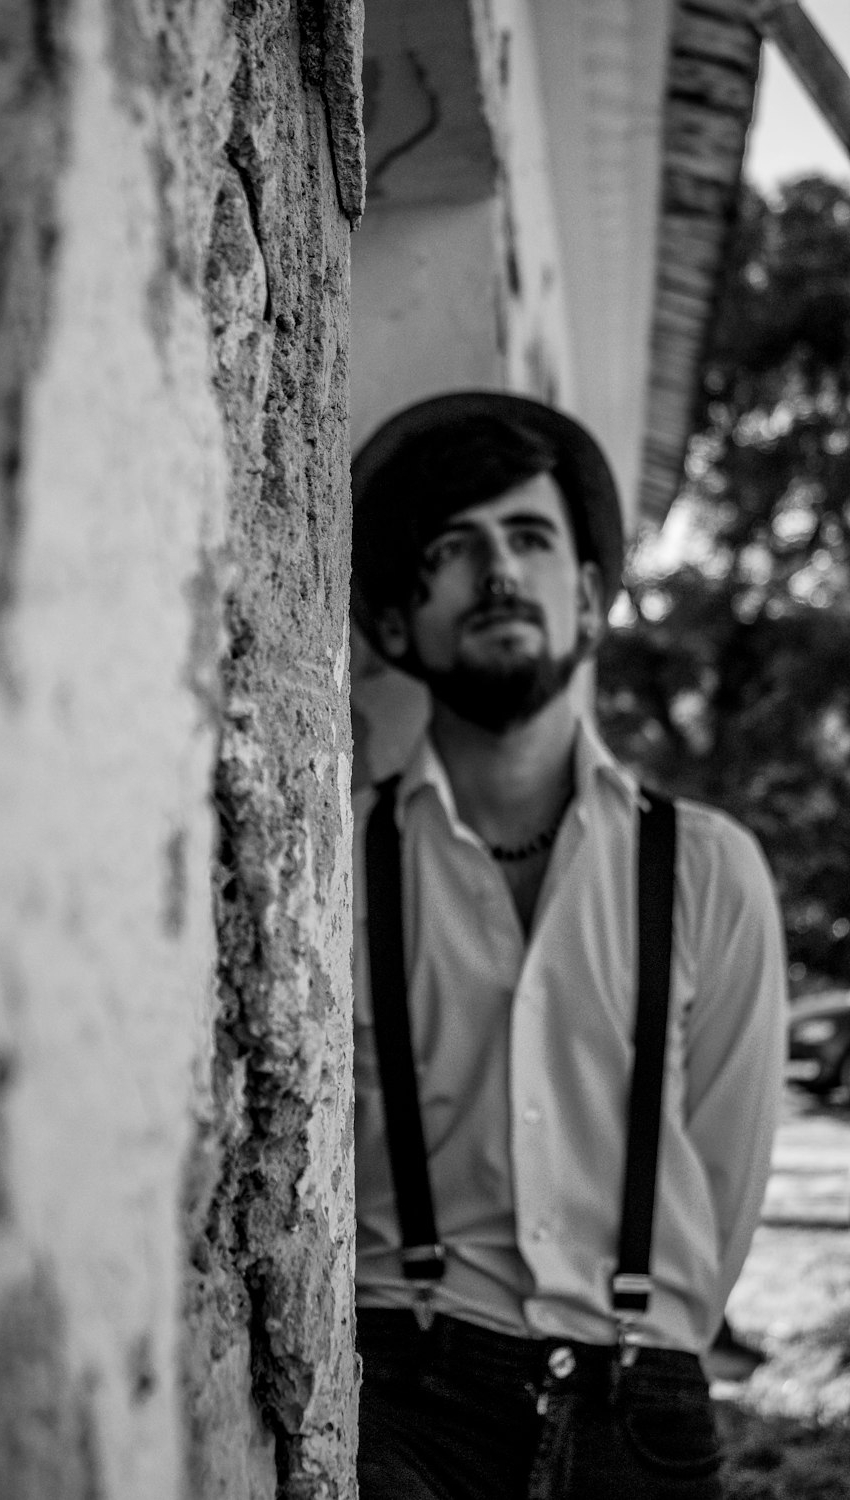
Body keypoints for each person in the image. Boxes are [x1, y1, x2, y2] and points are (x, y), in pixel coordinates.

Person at [350, 392, 787, 1500]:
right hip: (402, 1409)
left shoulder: (707, 870)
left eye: (529, 538)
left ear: (587, 601)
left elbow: (723, 1185)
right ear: (396, 623)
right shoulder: (333, 863)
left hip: (641, 1423)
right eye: (453, 549)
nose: (498, 572)